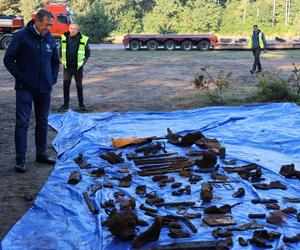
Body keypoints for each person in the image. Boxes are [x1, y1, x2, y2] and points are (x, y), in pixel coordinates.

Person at [3, 8, 60, 172]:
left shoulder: (49, 38)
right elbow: (8, 59)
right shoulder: (21, 36)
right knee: (22, 123)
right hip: (25, 89)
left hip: (44, 89)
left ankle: (41, 154)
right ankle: (20, 159)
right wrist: (21, 78)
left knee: (42, 122)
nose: (49, 28)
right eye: (47, 25)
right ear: (37, 21)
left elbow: (55, 62)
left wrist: (52, 78)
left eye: (51, 25)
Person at [58, 23, 90, 112]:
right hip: (67, 68)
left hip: (78, 68)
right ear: (69, 29)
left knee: (79, 86)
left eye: (75, 29)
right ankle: (65, 105)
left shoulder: (83, 39)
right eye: (71, 28)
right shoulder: (64, 38)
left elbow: (87, 54)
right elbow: (60, 52)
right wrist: (62, 62)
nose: (73, 30)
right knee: (66, 86)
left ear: (78, 30)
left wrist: (82, 64)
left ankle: (81, 105)